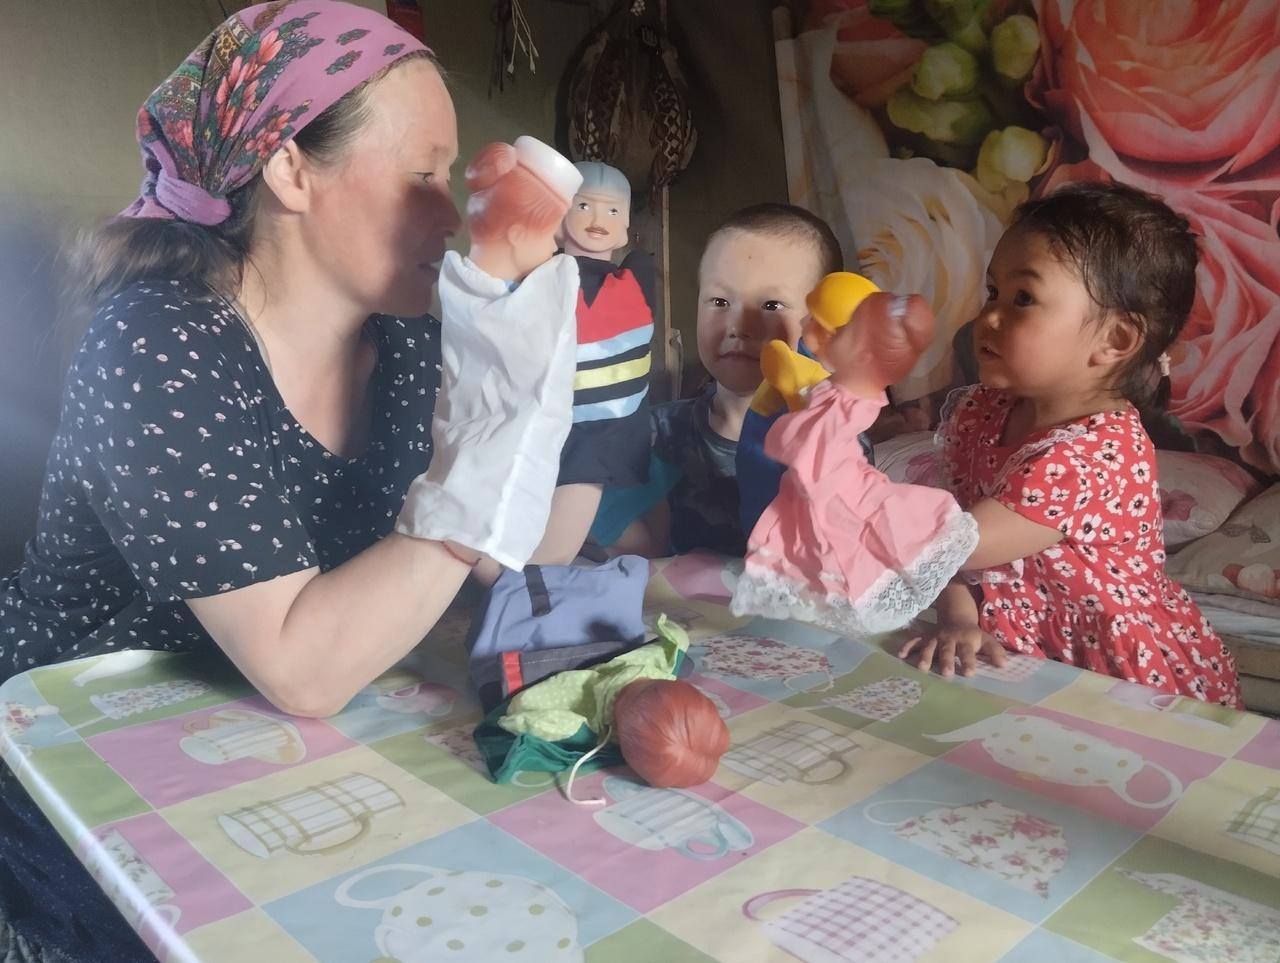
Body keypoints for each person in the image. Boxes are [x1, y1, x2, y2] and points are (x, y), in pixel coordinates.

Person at [0, 3, 569, 958]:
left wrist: (537, 366)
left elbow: (504, 556)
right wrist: (489, 445)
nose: (451, 214)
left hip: (254, 742)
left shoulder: (407, 339)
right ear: (290, 168)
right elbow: (304, 667)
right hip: (70, 755)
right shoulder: (157, 343)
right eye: (423, 173)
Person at [900, 182, 1241, 707]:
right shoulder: (983, 412)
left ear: (1115, 340)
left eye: (1023, 298)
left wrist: (841, 476)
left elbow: (952, 543)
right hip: (1027, 655)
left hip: (1124, 677)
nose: (989, 317)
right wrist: (959, 618)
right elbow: (956, 549)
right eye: (993, 292)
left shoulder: (1094, 454)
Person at [592, 203, 842, 557]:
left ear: (821, 328)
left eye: (771, 305)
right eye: (720, 301)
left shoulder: (832, 436)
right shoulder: (653, 433)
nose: (739, 326)